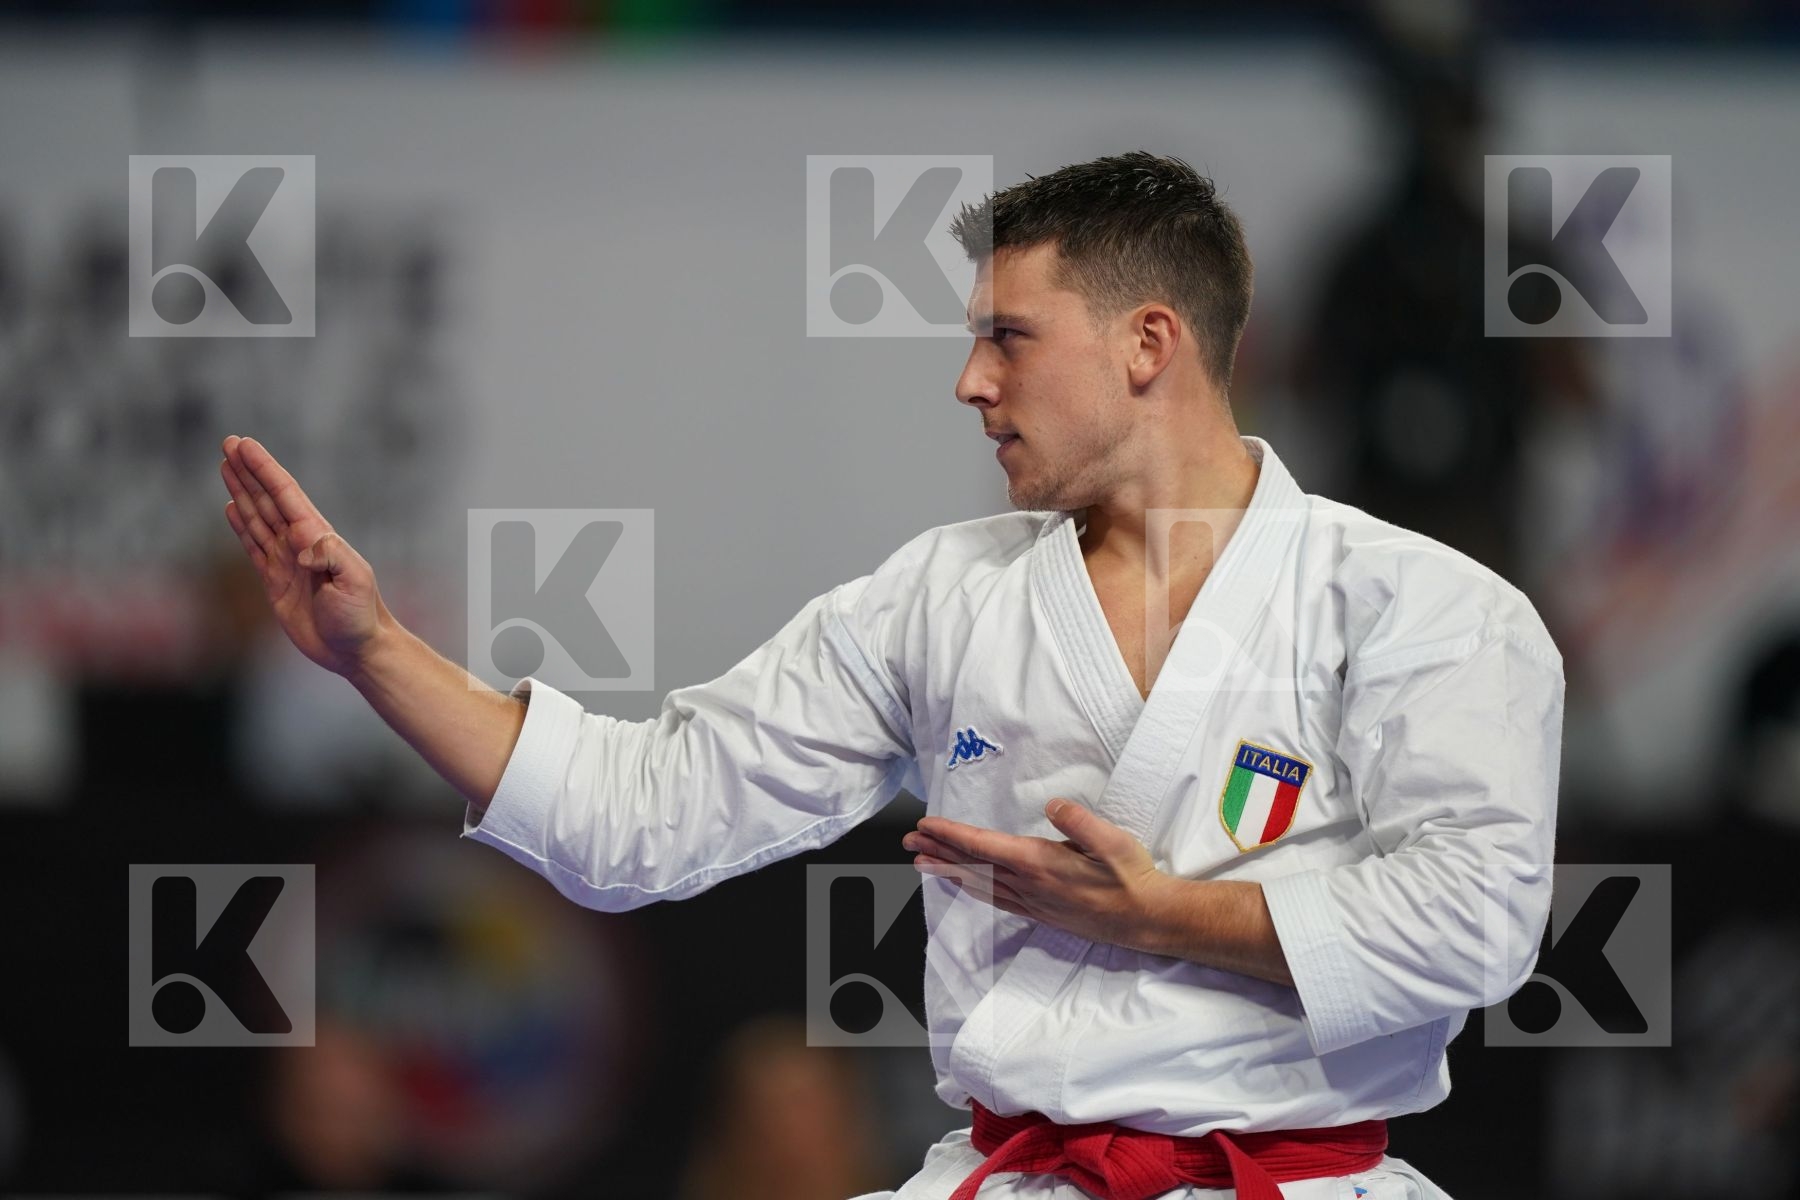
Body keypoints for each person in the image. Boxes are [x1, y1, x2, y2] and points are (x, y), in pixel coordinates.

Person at [219, 151, 1565, 1200]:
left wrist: (1169, 917)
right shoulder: (943, 597)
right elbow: (642, 815)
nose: (970, 382)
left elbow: (1477, 928)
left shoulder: (1426, 611)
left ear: (1149, 345)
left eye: (1010, 338)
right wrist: (378, 656)